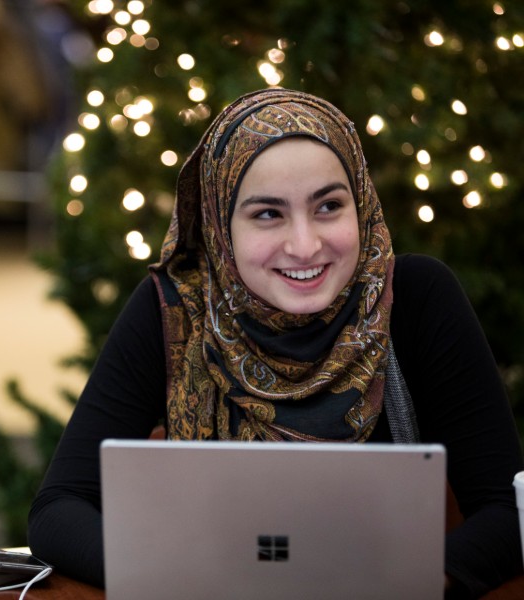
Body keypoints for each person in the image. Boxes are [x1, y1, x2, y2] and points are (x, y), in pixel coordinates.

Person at [27, 88, 524, 598]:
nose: (305, 245)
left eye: (329, 206)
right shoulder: (177, 309)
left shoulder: (417, 300)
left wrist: (404, 581)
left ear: (362, 204)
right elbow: (58, 509)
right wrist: (181, 576)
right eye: (268, 214)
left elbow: (509, 514)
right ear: (222, 226)